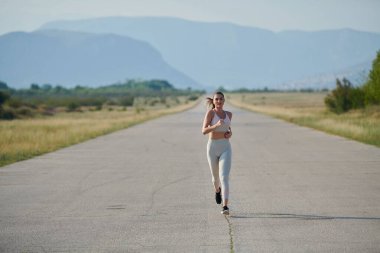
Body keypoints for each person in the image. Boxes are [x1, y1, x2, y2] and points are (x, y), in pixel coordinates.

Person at [202, 91, 233, 215]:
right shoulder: (211, 113)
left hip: (226, 147)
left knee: (224, 177)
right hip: (212, 147)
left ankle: (225, 206)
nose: (219, 101)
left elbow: (228, 129)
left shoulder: (229, 115)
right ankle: (217, 190)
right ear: (213, 102)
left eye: (221, 99)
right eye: (217, 99)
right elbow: (204, 131)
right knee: (215, 179)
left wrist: (230, 133)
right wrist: (215, 126)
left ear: (224, 101)